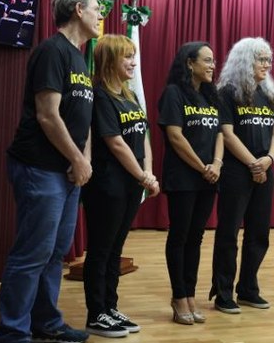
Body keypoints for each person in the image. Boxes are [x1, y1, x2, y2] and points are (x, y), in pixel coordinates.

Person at [0, 0, 101, 343]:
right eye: (96, 8)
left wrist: (81, 161)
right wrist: (77, 158)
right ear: (78, 10)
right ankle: (12, 333)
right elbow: (48, 115)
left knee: (55, 253)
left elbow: (81, 120)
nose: (100, 14)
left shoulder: (80, 58)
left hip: (68, 173)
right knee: (32, 253)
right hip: (39, 168)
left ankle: (46, 322)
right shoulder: (51, 51)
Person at [81, 34, 160, 338]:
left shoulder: (130, 95)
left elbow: (144, 138)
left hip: (132, 185)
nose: (133, 62)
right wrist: (143, 176)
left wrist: (148, 173)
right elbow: (115, 142)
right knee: (100, 250)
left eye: (133, 56)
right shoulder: (100, 95)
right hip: (108, 185)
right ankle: (96, 313)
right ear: (109, 60)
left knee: (116, 249)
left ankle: (110, 307)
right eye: (127, 57)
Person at [209, 37, 274, 314]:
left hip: (264, 167)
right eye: (261, 59)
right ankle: (223, 292)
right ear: (244, 61)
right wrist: (254, 164)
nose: (267, 64)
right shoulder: (227, 92)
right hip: (237, 171)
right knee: (228, 233)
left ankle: (249, 288)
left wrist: (269, 160)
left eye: (268, 59)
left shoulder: (268, 93)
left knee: (259, 233)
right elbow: (226, 133)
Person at [159, 41, 223, 325]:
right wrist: (202, 167)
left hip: (209, 177)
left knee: (196, 238)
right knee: (180, 237)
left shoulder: (211, 96)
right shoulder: (174, 94)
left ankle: (191, 294)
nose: (212, 66)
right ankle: (178, 296)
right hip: (184, 178)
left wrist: (217, 165)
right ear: (189, 63)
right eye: (207, 60)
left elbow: (220, 133)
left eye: (213, 61)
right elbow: (175, 136)